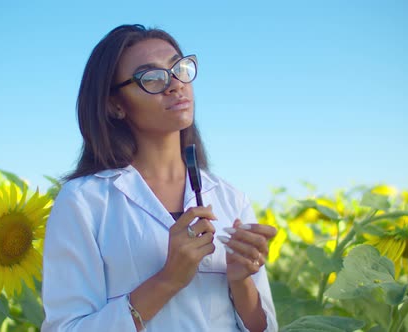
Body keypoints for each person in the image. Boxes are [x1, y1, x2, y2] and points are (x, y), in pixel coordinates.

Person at [41, 24, 278, 332]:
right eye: (151, 77)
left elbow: (265, 327)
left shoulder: (232, 199)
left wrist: (241, 281)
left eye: (179, 68)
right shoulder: (83, 201)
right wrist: (167, 280)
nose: (175, 84)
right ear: (115, 105)